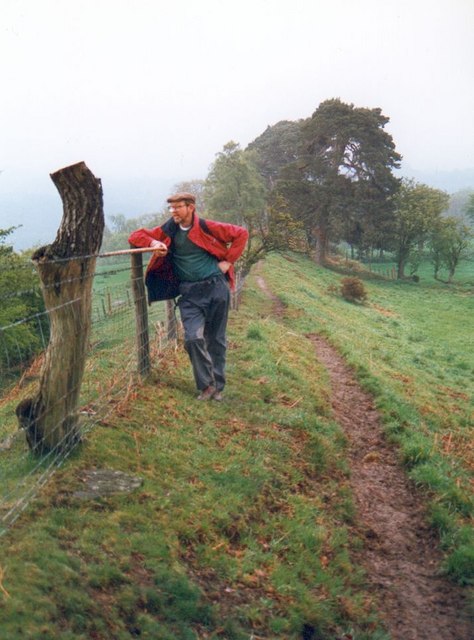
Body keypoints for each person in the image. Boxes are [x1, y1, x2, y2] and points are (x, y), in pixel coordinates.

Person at [128, 192, 248, 401]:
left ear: (191, 207)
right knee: (193, 338)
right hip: (189, 294)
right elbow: (135, 236)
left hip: (216, 288)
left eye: (177, 207)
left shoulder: (207, 227)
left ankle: (217, 387)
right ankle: (206, 386)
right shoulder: (168, 230)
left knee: (216, 339)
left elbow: (241, 234)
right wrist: (155, 243)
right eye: (171, 208)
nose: (173, 211)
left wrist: (228, 262)